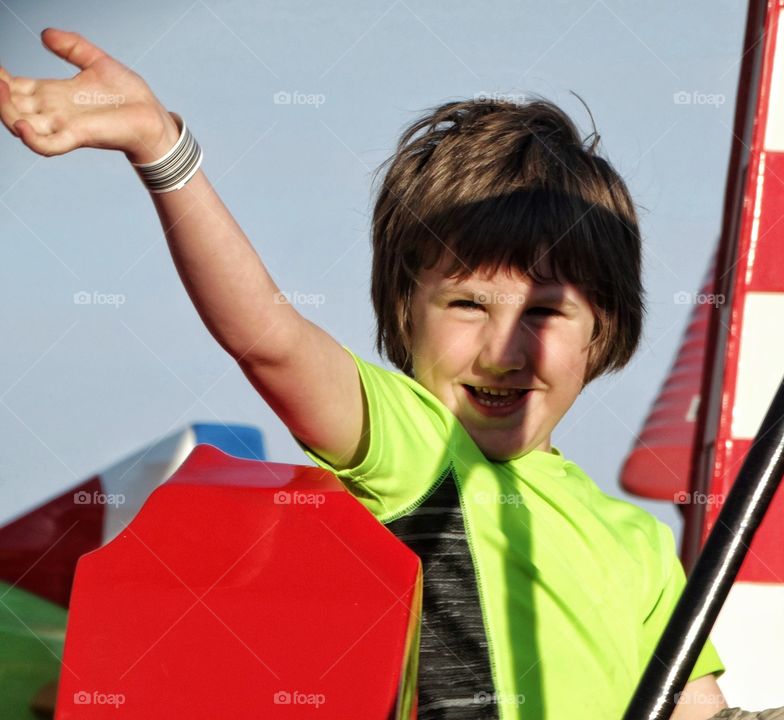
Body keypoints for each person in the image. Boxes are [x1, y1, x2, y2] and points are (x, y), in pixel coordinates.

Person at [0, 28, 727, 719]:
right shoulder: (421, 450)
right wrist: (165, 152)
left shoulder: (643, 548)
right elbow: (269, 339)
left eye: (545, 312)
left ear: (605, 331)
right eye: (468, 304)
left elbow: (699, 710)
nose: (504, 350)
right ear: (404, 315)